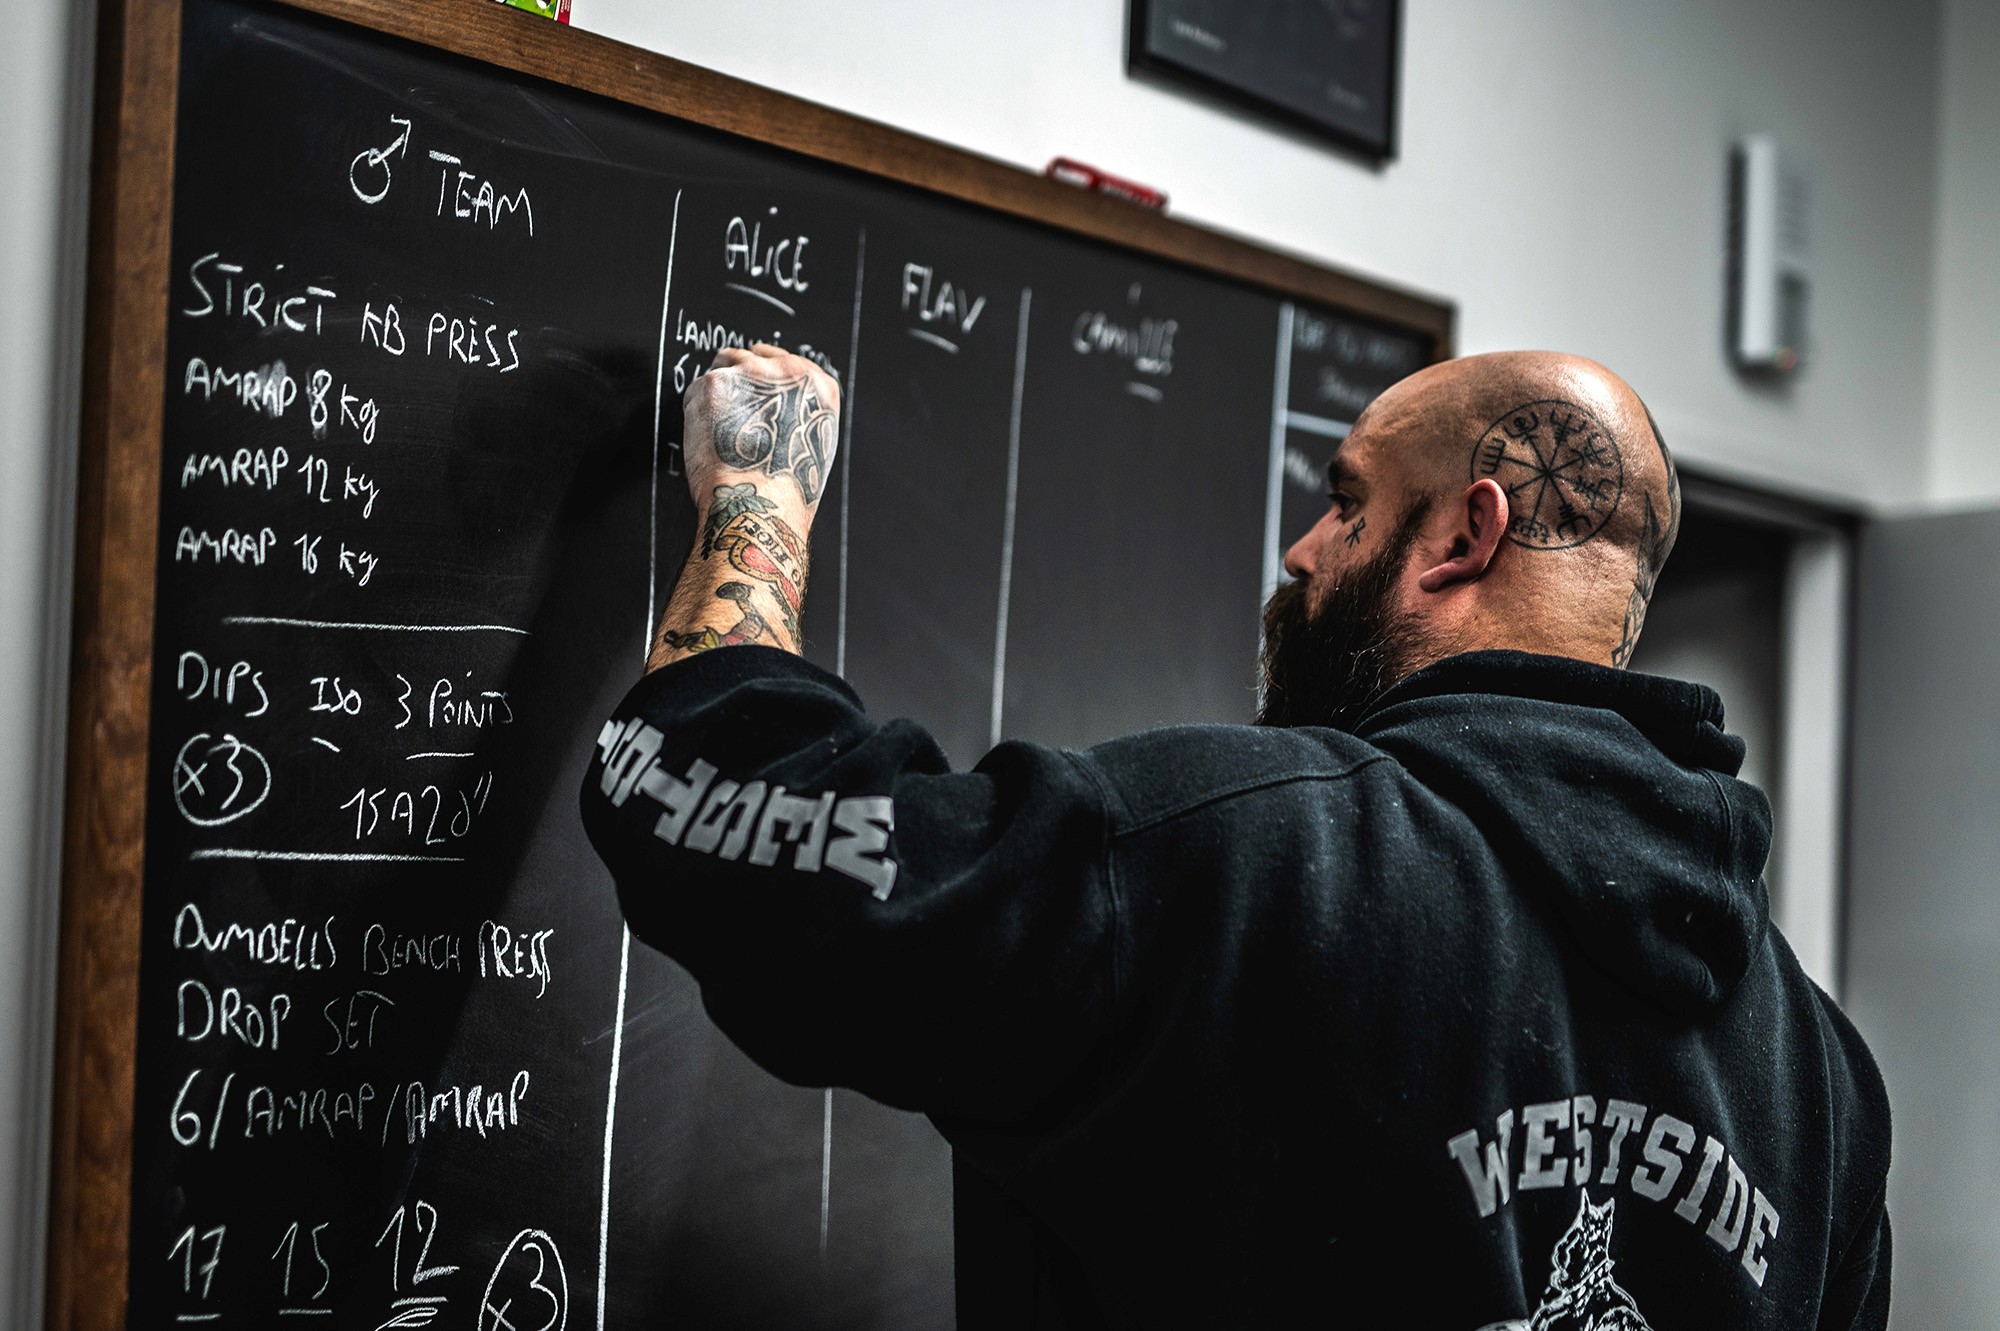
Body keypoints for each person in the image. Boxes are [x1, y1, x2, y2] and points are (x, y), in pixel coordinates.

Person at [581, 344, 1891, 1328]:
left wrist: (754, 502)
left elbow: (724, 813)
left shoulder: (1248, 860)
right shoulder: (1823, 1079)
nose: (1301, 548)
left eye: (1346, 500)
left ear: (1465, 535)